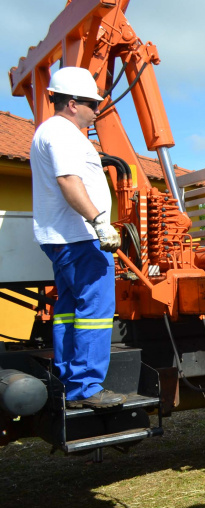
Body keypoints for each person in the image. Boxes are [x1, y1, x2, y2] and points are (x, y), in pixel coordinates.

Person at [30, 67, 124, 410]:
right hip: (80, 237)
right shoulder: (64, 134)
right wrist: (100, 222)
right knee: (96, 309)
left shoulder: (48, 132)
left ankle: (73, 381)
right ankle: (86, 386)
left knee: (69, 309)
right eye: (91, 104)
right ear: (72, 103)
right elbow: (69, 180)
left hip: (62, 238)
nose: (96, 110)